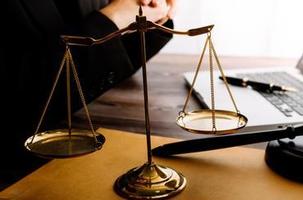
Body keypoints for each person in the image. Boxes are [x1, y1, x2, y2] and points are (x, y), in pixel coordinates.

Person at [1, 0, 176, 188]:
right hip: (19, 164)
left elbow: (115, 59)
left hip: (91, 131)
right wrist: (111, 19)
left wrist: (154, 11)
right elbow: (19, 85)